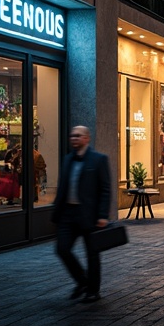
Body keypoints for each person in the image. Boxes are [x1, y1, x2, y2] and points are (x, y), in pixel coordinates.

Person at [51, 124, 111, 303]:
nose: (74, 139)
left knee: (92, 254)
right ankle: (82, 281)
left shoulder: (99, 159)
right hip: (68, 214)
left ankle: (93, 291)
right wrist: (56, 212)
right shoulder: (68, 159)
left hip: (89, 215)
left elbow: (105, 189)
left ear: (87, 138)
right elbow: (63, 187)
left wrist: (102, 215)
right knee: (62, 249)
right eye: (72, 136)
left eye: (78, 136)